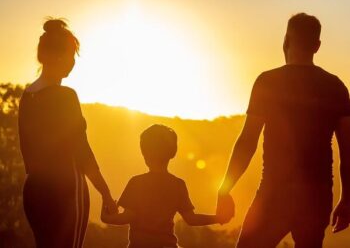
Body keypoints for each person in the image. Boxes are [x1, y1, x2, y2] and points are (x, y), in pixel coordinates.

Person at [217, 13, 350, 248]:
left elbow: (247, 141)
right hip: (317, 195)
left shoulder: (268, 82)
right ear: (317, 46)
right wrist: (348, 198)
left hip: (273, 193)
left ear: (286, 40)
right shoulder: (336, 86)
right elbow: (348, 151)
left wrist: (225, 188)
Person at [18, 19, 118, 248]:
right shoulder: (65, 96)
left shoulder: (27, 97)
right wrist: (105, 192)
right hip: (65, 191)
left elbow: (27, 152)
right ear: (60, 57)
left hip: (34, 191)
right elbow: (81, 150)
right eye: (72, 56)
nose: (73, 63)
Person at [101, 124, 234, 248]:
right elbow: (191, 219)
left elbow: (127, 217)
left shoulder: (136, 183)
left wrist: (106, 217)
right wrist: (218, 218)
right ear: (172, 153)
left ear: (144, 153)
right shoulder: (178, 185)